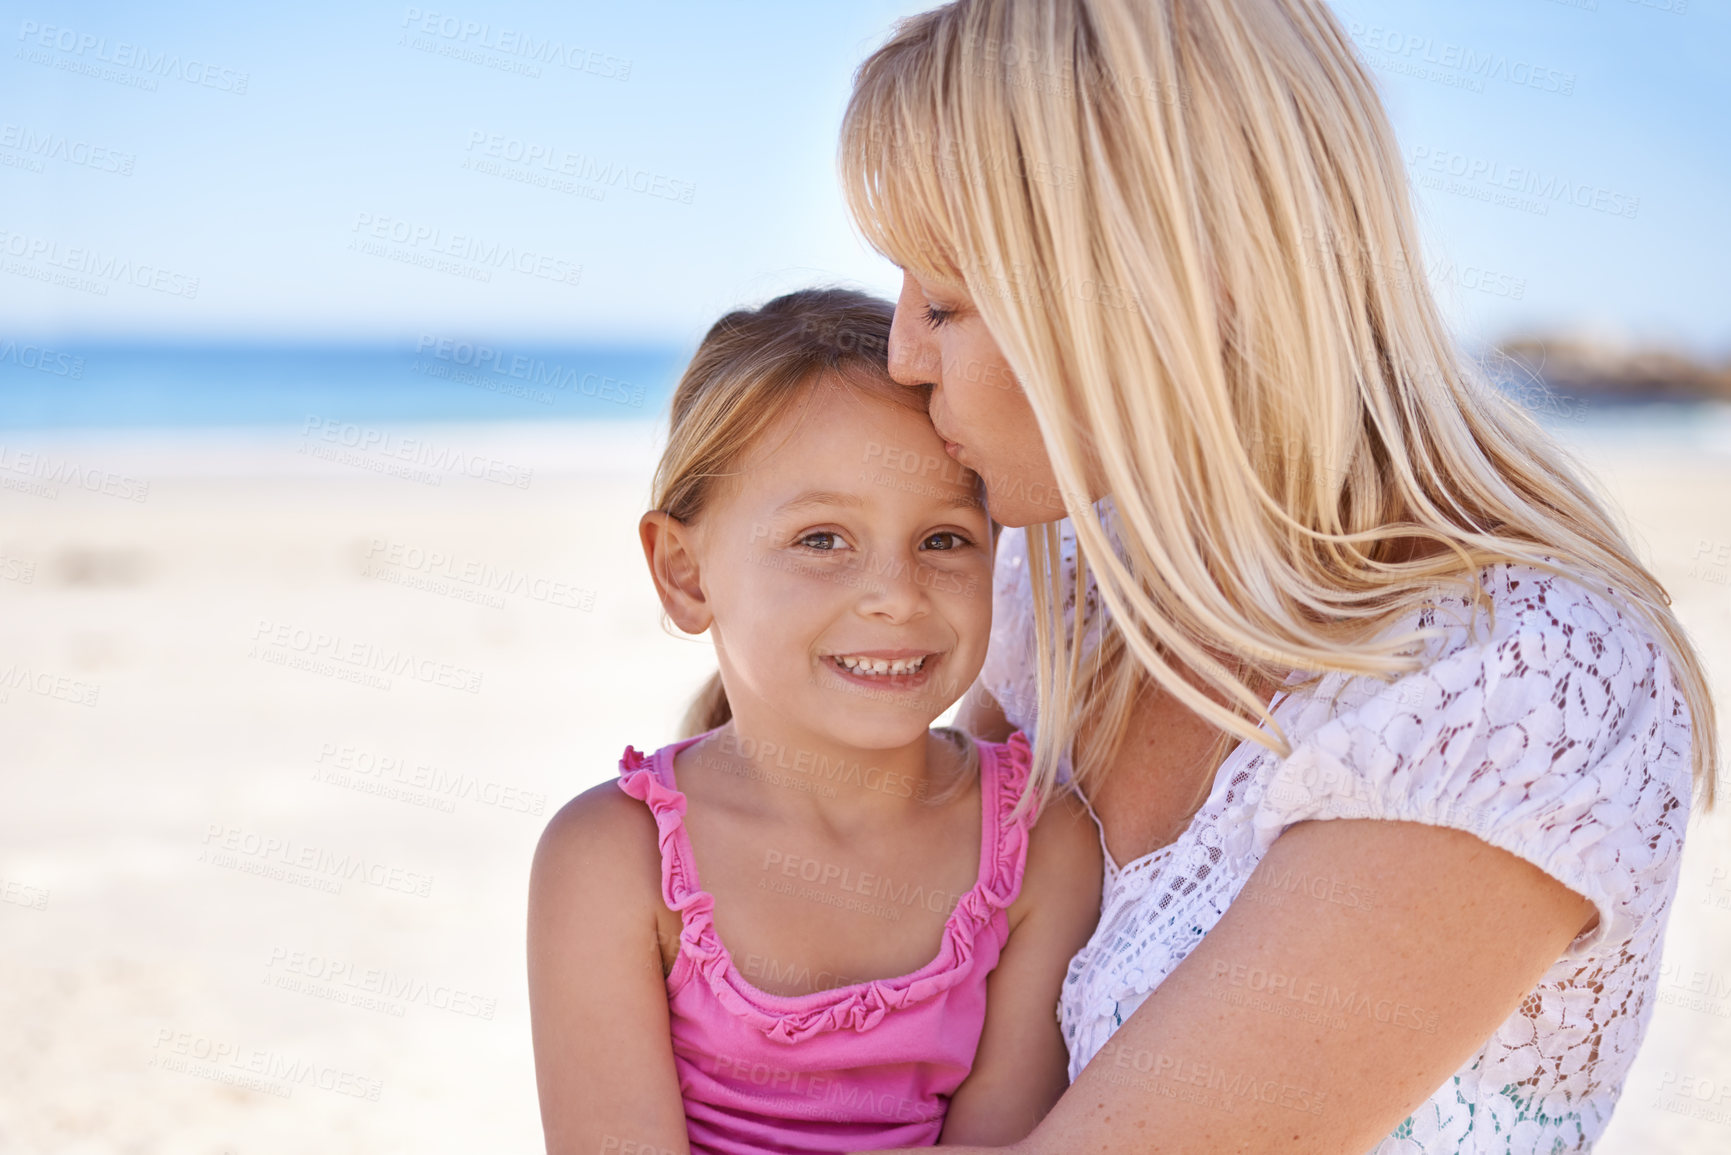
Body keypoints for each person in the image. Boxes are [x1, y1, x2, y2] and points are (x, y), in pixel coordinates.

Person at [836, 1, 1718, 1151]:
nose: (904, 357)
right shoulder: (1056, 585)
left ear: (1155, 281)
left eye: (946, 301)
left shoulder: (1513, 680)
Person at [525, 288, 1102, 1155]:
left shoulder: (1037, 844)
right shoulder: (610, 861)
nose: (894, 596)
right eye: (821, 539)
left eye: (943, 539)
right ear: (684, 573)